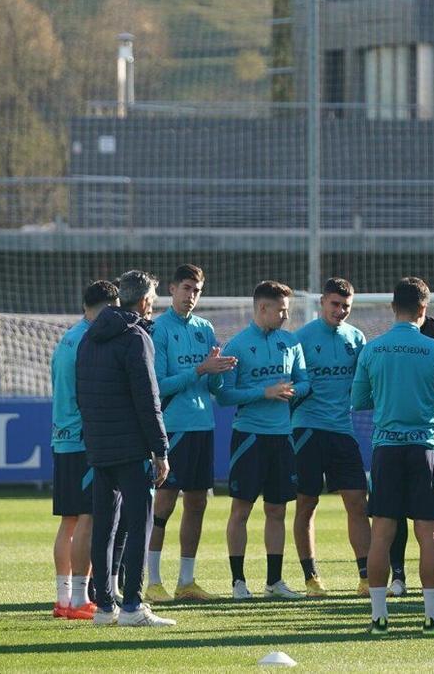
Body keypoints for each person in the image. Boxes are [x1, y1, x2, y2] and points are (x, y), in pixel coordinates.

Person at [354, 277, 434, 637]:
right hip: (426, 448)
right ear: (424, 309)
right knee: (428, 535)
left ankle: (379, 618)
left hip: (386, 447)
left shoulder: (373, 349)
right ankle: (432, 618)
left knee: (381, 534)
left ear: (392, 307)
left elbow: (359, 401)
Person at [77, 269, 176, 627]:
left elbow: (82, 395)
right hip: (131, 448)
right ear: (146, 301)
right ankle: (133, 604)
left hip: (100, 445)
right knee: (140, 523)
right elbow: (148, 400)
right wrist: (160, 450)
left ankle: (104, 607)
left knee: (104, 525)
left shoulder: (90, 337)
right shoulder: (135, 337)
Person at [145, 264, 236, 603]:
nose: (191, 296)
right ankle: (152, 580)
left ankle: (186, 581)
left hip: (203, 425)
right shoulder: (159, 329)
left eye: (196, 290)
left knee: (197, 502)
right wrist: (200, 368)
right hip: (174, 427)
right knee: (164, 503)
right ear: (172, 289)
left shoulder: (205, 328)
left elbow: (213, 385)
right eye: (186, 288)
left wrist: (219, 370)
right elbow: (158, 384)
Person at [216, 281, 311, 601]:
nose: (286, 315)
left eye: (288, 309)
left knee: (277, 510)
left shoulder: (291, 342)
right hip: (250, 437)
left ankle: (274, 581)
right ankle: (238, 582)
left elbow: (304, 381)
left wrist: (295, 390)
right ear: (262, 309)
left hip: (282, 437)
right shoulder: (237, 346)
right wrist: (264, 392)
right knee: (241, 509)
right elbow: (224, 395)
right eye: (281, 310)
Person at [292, 278, 371, 598]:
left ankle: (366, 577)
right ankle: (311, 578)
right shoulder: (302, 338)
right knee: (306, 503)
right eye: (335, 304)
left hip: (342, 430)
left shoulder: (357, 338)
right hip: (308, 429)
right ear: (323, 302)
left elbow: (364, 382)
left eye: (346, 306)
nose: (340, 311)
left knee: (357, 502)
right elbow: (293, 383)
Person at [51, 280, 118, 620]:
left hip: (62, 436)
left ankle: (63, 599)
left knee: (69, 521)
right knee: (90, 519)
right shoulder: (89, 341)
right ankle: (79, 599)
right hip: (82, 439)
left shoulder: (67, 338)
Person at [389, 309, 434, 597]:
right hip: (418, 436)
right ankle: (399, 576)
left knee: (433, 508)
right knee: (399, 510)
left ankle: (423, 578)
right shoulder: (390, 339)